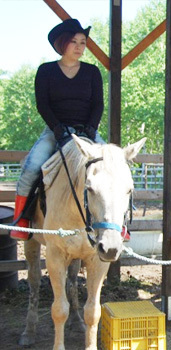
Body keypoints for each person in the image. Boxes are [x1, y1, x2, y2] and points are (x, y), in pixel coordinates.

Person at [11, 19, 105, 240]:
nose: (80, 47)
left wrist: (91, 129)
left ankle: (120, 226)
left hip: (87, 131)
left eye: (83, 42)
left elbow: (98, 104)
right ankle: (21, 220)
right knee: (31, 168)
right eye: (74, 42)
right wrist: (58, 130)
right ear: (62, 44)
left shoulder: (93, 72)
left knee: (113, 167)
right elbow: (42, 104)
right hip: (55, 131)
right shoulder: (46, 71)